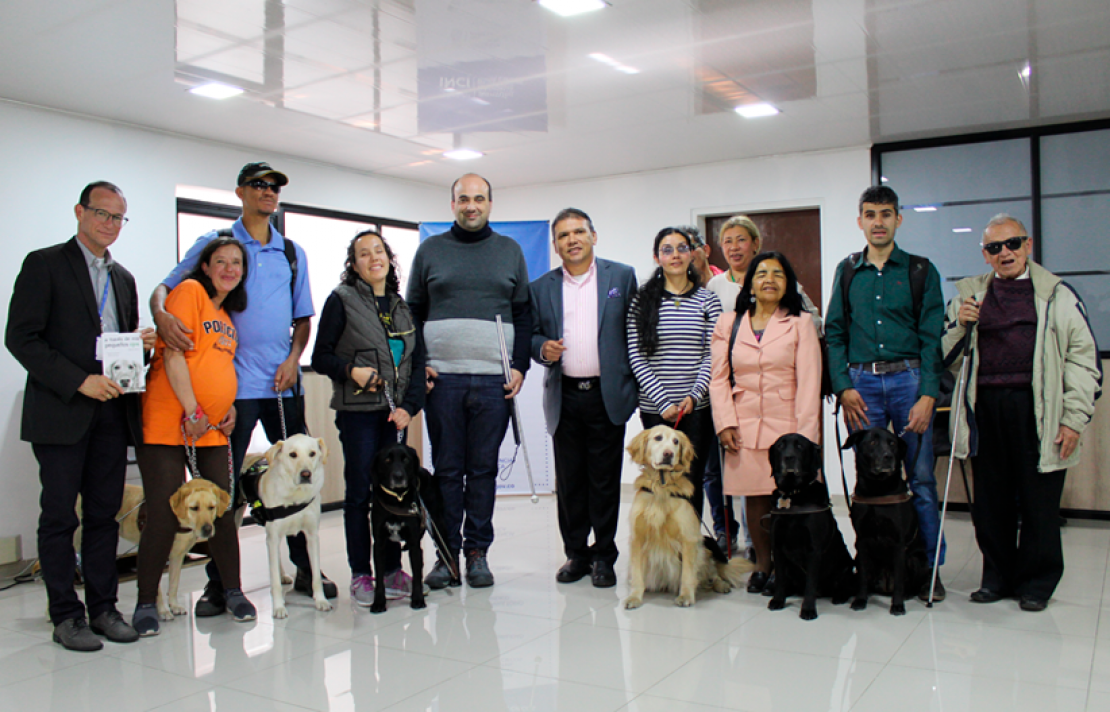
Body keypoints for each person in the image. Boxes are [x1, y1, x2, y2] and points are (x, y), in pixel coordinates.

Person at [150, 162, 333, 615]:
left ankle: (305, 571)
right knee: (224, 490)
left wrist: (294, 359)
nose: (268, 193)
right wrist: (161, 315)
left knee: (299, 476)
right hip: (234, 388)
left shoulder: (291, 252)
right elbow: (164, 287)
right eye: (259, 185)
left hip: (282, 384)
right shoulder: (219, 245)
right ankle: (220, 583)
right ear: (241, 192)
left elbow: (303, 317)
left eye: (274, 187)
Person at [6, 181, 155, 651]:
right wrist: (78, 381)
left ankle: (104, 608)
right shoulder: (45, 264)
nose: (109, 224)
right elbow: (22, 338)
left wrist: (140, 348)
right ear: (80, 212)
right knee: (58, 518)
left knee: (103, 516)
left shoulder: (125, 279)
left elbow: (115, 350)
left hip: (112, 414)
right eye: (102, 214)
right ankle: (65, 615)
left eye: (118, 218)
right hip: (62, 412)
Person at [943, 214, 1101, 612]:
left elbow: (1083, 360)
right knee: (990, 502)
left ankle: (1036, 582)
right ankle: (996, 576)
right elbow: (946, 360)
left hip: (1039, 408)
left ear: (1028, 246)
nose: (1005, 253)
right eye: (995, 248)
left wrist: (1073, 419)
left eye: (1012, 243)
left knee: (1039, 502)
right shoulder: (969, 296)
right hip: (987, 408)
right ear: (985, 255)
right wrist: (959, 326)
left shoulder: (1057, 294)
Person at [406, 173, 532, 589]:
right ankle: (447, 555)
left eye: (479, 199)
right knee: (446, 470)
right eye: (464, 199)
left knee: (482, 471)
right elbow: (413, 314)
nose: (471, 205)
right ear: (453, 204)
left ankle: (477, 553)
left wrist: (519, 366)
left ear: (490, 204)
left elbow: (524, 313)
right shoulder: (430, 251)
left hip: (494, 381)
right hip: (443, 381)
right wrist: (417, 362)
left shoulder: (510, 251)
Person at [825, 184, 947, 601]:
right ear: (860, 220)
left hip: (909, 382)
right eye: (871, 214)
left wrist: (929, 394)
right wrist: (842, 387)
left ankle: (928, 567)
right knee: (868, 479)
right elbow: (836, 334)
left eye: (886, 214)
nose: (878, 222)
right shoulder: (847, 271)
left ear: (899, 219)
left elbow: (933, 338)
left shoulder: (920, 271)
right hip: (860, 388)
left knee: (921, 478)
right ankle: (873, 566)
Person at [133, 237, 255, 635]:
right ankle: (146, 601)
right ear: (205, 267)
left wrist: (227, 405)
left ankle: (233, 591)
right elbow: (172, 354)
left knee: (221, 505)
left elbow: (215, 366)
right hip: (171, 421)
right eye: (220, 261)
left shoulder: (227, 316)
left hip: (212, 428)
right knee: (166, 511)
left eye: (237, 263)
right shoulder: (189, 293)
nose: (229, 268)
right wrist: (194, 410)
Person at [311, 229, 427, 605]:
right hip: (359, 413)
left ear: (389, 259)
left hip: (395, 417)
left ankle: (392, 571)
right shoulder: (341, 300)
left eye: (379, 251)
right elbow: (321, 356)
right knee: (360, 494)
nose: (373, 258)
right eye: (364, 253)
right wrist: (351, 371)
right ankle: (362, 573)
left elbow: (416, 363)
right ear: (354, 263)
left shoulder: (401, 305)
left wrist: (410, 407)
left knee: (394, 493)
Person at [530, 208, 638, 588]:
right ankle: (576, 554)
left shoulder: (621, 277)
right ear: (556, 245)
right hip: (565, 397)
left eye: (579, 232)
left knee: (605, 482)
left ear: (594, 235)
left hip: (607, 396)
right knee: (571, 482)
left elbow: (634, 331)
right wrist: (543, 348)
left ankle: (604, 556)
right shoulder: (541, 286)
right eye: (563, 235)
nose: (572, 240)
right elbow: (530, 337)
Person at [709, 252, 821, 593]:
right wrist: (724, 422)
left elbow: (810, 381)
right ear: (750, 283)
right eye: (761, 274)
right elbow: (718, 379)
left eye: (777, 274)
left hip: (787, 427)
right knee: (755, 499)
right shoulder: (729, 323)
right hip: (743, 424)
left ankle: (789, 566)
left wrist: (805, 438)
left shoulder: (800, 322)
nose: (769, 279)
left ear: (787, 284)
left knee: (786, 499)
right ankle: (763, 566)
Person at [627, 227, 722, 518]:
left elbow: (712, 354)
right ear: (657, 257)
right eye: (667, 249)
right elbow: (636, 356)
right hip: (656, 410)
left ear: (692, 253)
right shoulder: (641, 302)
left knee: (690, 482)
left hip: (697, 409)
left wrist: (694, 396)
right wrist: (664, 402)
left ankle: (687, 554)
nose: (676, 255)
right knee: (658, 481)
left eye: (682, 248)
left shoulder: (708, 300)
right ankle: (661, 550)